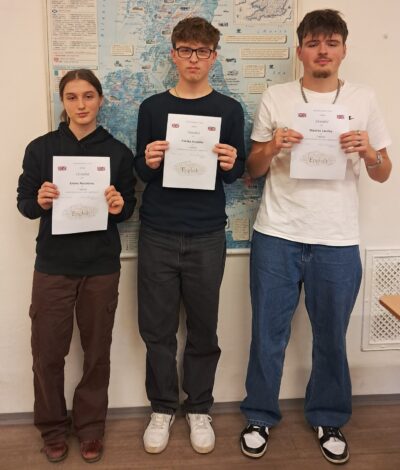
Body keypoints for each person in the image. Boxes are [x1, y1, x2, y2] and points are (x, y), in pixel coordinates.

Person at [239, 9, 392, 465]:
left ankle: (328, 417)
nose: (322, 51)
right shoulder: (277, 96)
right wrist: (273, 146)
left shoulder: (364, 98)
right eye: (313, 43)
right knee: (267, 334)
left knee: (331, 337)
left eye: (331, 42)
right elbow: (252, 168)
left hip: (337, 240)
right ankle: (259, 415)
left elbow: (383, 172)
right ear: (300, 50)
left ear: (344, 49)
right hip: (277, 234)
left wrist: (368, 151)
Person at [134, 16, 245, 455]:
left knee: (203, 328)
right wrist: (148, 160)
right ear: (173, 55)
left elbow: (234, 174)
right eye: (185, 50)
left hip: (206, 234)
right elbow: (141, 171)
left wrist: (231, 161)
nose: (193, 59)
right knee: (157, 329)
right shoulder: (152, 108)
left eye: (201, 51)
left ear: (214, 57)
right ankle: (162, 407)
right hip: (158, 232)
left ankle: (199, 407)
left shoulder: (229, 109)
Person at [17, 69, 136, 463]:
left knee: (97, 352)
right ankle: (52, 428)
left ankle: (90, 428)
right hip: (53, 266)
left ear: (100, 99)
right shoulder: (41, 149)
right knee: (47, 353)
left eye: (88, 96)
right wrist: (40, 201)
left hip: (101, 266)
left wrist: (119, 206)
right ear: (63, 102)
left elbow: (127, 207)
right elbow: (25, 204)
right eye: (72, 97)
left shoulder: (118, 152)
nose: (81, 105)